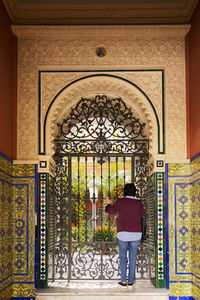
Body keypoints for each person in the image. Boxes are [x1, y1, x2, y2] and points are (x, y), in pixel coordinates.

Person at [105, 183, 145, 287]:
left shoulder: (120, 201)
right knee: (132, 257)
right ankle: (130, 281)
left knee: (122, 257)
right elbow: (143, 217)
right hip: (136, 234)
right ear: (135, 192)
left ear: (124, 192)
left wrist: (109, 203)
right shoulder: (138, 203)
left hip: (123, 234)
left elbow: (110, 212)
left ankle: (123, 281)